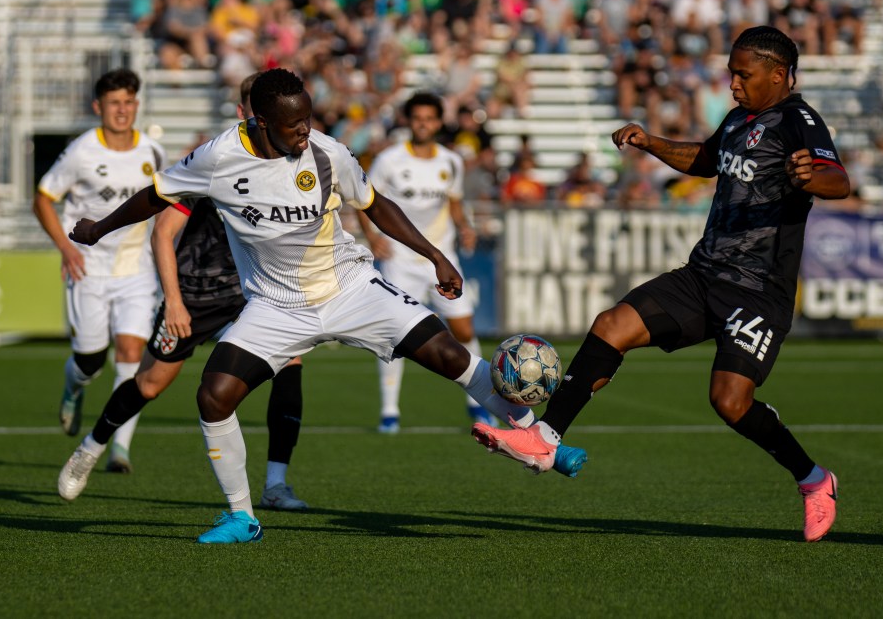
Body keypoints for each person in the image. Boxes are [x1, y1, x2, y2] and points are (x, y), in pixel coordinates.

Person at [66, 68, 588, 544]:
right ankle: (241, 516)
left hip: (350, 287)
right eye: (293, 125)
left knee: (450, 356)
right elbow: (156, 195)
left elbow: (375, 204)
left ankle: (542, 441)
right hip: (275, 307)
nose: (304, 132)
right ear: (261, 121)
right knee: (213, 395)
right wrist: (97, 227)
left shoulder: (327, 153)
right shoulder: (219, 156)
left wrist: (434, 255)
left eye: (309, 120)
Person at [472, 26, 851, 543]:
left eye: (744, 74)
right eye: (731, 73)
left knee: (730, 402)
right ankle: (544, 436)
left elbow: (838, 180)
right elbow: (705, 160)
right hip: (702, 275)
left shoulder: (799, 120)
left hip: (758, 291)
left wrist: (811, 177)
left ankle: (813, 480)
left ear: (780, 75)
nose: (733, 84)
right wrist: (650, 143)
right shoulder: (740, 119)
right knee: (612, 325)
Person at [57, 73, 308, 511]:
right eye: (257, 110)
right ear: (244, 113)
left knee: (291, 363)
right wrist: (174, 300)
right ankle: (91, 447)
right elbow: (163, 232)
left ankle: (276, 484)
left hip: (258, 290)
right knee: (151, 383)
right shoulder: (216, 159)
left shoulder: (297, 159)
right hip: (197, 291)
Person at [33, 68, 167, 473]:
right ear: (99, 107)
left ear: (137, 105)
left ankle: (119, 448)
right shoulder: (82, 151)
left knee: (131, 351)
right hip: (88, 267)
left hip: (136, 270)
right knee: (90, 360)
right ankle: (73, 387)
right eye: (114, 103)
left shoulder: (154, 153)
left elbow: (164, 205)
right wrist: (65, 249)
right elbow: (43, 198)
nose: (122, 111)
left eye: (128, 102)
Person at [357, 92, 492, 433]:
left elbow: (455, 203)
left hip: (441, 259)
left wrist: (464, 228)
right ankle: (390, 412)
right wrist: (373, 238)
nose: (423, 124)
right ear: (408, 120)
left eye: (430, 118)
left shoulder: (450, 161)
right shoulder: (388, 160)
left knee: (463, 330)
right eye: (417, 118)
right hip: (400, 260)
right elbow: (364, 200)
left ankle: (478, 404)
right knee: (395, 337)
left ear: (438, 122)